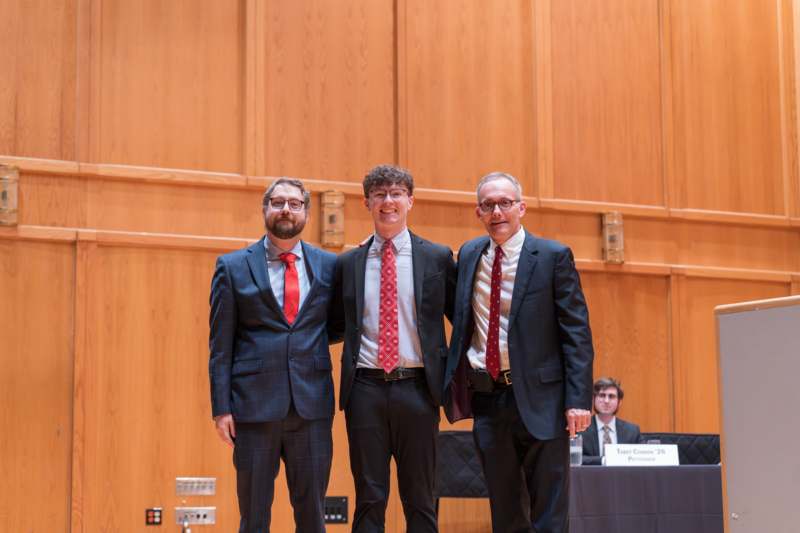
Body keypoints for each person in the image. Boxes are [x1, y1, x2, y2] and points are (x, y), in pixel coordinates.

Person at [444, 171, 594, 533]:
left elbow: (576, 332)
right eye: (488, 205)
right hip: (489, 400)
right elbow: (462, 316)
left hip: (545, 401)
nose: (497, 212)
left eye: (505, 203)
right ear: (478, 212)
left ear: (521, 208)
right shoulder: (468, 255)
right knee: (506, 511)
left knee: (549, 512)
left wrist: (578, 400)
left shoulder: (552, 256)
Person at [329, 164, 456, 532]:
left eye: (396, 193)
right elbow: (335, 324)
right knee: (369, 496)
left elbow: (460, 321)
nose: (388, 201)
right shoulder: (349, 262)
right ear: (367, 202)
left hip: (418, 389)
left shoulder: (436, 257)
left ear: (410, 201)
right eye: (380, 194)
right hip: (365, 389)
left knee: (421, 496)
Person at [209, 178, 337, 533]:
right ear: (264, 208)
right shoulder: (232, 266)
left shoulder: (329, 265)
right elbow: (220, 345)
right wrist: (222, 408)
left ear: (307, 213)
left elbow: (337, 324)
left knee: (313, 516)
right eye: (278, 202)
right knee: (254, 516)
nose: (285, 209)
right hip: (253, 408)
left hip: (311, 407)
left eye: (294, 204)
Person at [581, 377, 642, 465]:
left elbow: (641, 458)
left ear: (619, 402)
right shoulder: (581, 429)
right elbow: (574, 458)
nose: (606, 401)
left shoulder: (632, 431)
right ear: (593, 400)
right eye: (602, 395)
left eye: (611, 396)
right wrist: (604, 460)